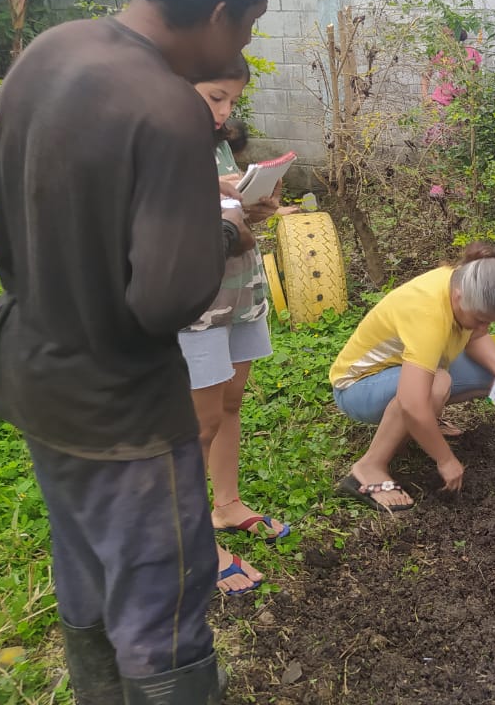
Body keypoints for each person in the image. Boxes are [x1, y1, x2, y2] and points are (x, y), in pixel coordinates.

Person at [0, 0, 284, 704]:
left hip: (35, 374)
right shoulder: (169, 106)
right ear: (218, 13)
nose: (244, 42)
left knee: (87, 580)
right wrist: (224, 232)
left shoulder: (51, 50)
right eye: (248, 24)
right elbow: (165, 298)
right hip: (121, 410)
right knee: (160, 615)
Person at [181, 57, 288, 600]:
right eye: (215, 97)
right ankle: (189, 542)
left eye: (232, 101)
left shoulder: (217, 143)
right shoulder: (158, 147)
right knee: (196, 424)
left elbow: (230, 219)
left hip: (239, 291)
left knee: (230, 402)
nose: (224, 112)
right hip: (195, 303)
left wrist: (254, 209)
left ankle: (225, 505)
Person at [330, 244, 495, 512]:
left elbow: (476, 336)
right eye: (480, 319)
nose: (483, 327)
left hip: (405, 369)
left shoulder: (462, 282)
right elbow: (412, 402)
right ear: (458, 297)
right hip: (359, 387)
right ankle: (370, 466)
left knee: (494, 370)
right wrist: (445, 459)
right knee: (436, 385)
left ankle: (424, 424)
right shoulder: (428, 312)